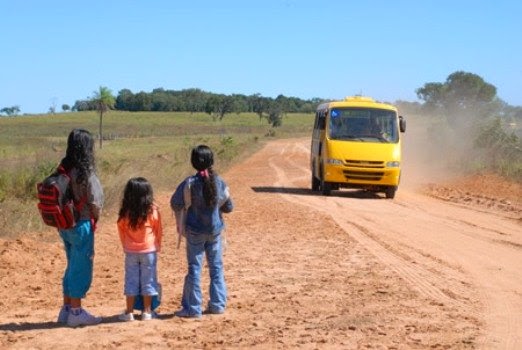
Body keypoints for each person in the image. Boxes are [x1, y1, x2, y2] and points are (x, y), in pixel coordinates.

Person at [170, 145, 233, 318]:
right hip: (215, 232)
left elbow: (175, 203)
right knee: (216, 268)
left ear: (193, 163)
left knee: (194, 268)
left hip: (194, 232)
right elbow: (229, 207)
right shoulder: (219, 182)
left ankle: (193, 308)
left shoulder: (189, 183)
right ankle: (218, 305)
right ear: (211, 161)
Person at [56, 128, 104, 327]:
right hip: (82, 224)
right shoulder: (86, 173)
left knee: (71, 264)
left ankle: (66, 309)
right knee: (81, 266)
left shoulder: (62, 169)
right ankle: (76, 311)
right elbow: (95, 202)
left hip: (64, 224)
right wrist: (96, 218)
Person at [117, 177, 163, 321]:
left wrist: (126, 244)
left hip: (130, 251)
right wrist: (157, 245)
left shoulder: (125, 212)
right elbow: (158, 230)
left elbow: (121, 230)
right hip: (149, 250)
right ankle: (147, 311)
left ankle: (129, 312)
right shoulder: (152, 210)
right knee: (148, 280)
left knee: (131, 280)